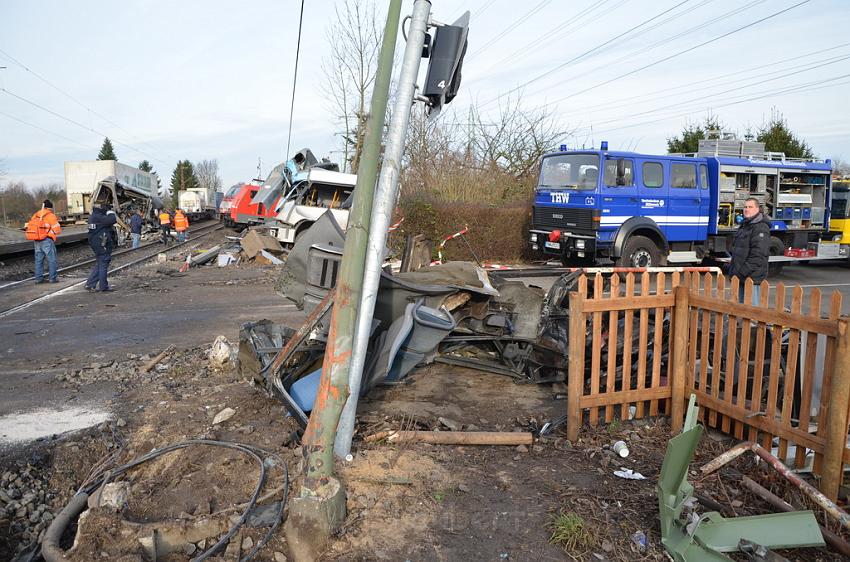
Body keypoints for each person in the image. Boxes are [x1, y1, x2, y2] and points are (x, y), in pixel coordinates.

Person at [727, 197, 770, 304]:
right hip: (741, 276)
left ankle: (752, 322)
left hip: (751, 277)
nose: (747, 209)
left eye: (750, 207)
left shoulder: (761, 228)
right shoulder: (744, 226)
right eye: (745, 207)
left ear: (757, 209)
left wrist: (741, 272)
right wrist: (733, 271)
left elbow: (758, 255)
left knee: (751, 311)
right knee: (741, 308)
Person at [25, 199, 62, 284]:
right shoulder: (51, 216)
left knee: (38, 260)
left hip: (36, 240)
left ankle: (39, 279)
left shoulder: (36, 214)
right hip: (47, 240)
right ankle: (52, 278)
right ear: (50, 208)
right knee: (51, 259)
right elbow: (57, 230)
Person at [85, 203, 118, 292]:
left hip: (96, 243)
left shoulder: (93, 217)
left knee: (100, 263)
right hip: (101, 244)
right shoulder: (99, 217)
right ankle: (103, 287)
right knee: (103, 263)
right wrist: (110, 211)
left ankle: (90, 284)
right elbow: (112, 219)